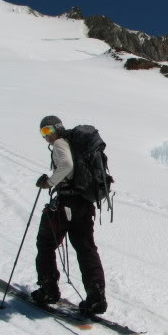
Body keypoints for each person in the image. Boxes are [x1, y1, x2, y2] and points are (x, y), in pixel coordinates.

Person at [31, 115, 108, 314]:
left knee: (46, 242)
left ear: (57, 128)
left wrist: (49, 182)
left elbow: (66, 165)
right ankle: (96, 298)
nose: (46, 136)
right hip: (84, 203)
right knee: (86, 248)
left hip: (67, 203)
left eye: (48, 131)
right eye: (43, 133)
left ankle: (48, 290)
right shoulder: (74, 144)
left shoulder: (59, 143)